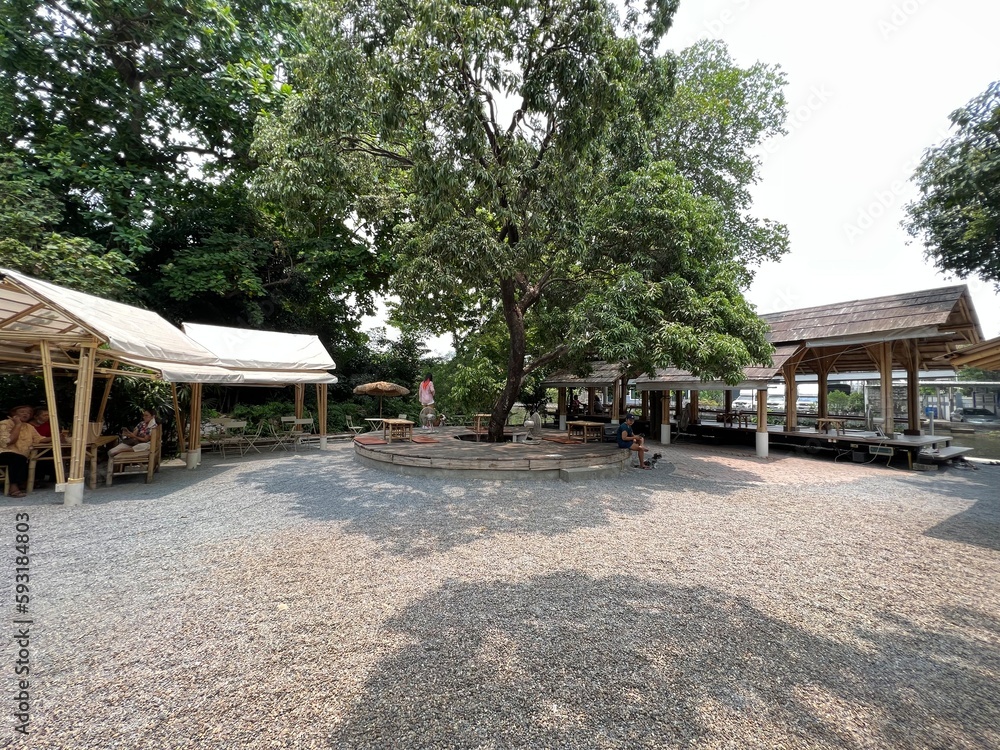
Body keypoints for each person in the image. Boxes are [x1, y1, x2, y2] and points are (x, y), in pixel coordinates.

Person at [0, 405, 49, 497]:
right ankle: (13, 487)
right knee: (17, 458)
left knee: (28, 458)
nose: (26, 414)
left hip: (20, 455)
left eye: (28, 412)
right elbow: (9, 441)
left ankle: (23, 483)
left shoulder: (29, 427)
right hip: (3, 452)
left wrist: (56, 437)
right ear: (14, 414)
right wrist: (18, 424)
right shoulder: (4, 424)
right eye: (22, 412)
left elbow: (39, 439)